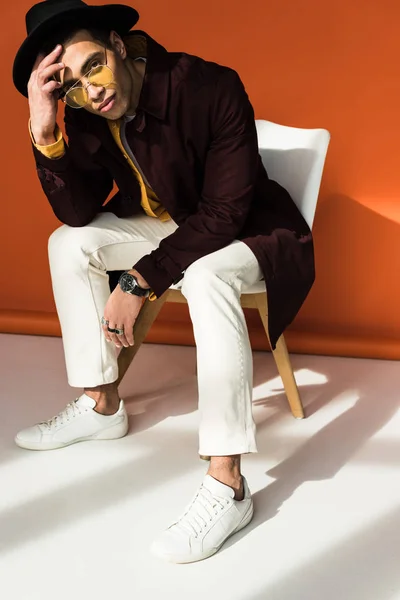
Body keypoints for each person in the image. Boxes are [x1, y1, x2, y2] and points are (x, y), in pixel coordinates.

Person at [12, 0, 315, 563]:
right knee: (68, 244)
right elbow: (77, 213)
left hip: (252, 232)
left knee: (204, 275)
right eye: (71, 85)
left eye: (94, 65)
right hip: (169, 225)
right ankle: (102, 404)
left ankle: (228, 483)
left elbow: (225, 213)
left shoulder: (208, 86)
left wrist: (138, 281)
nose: (91, 91)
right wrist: (45, 127)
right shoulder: (81, 111)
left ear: (119, 45)